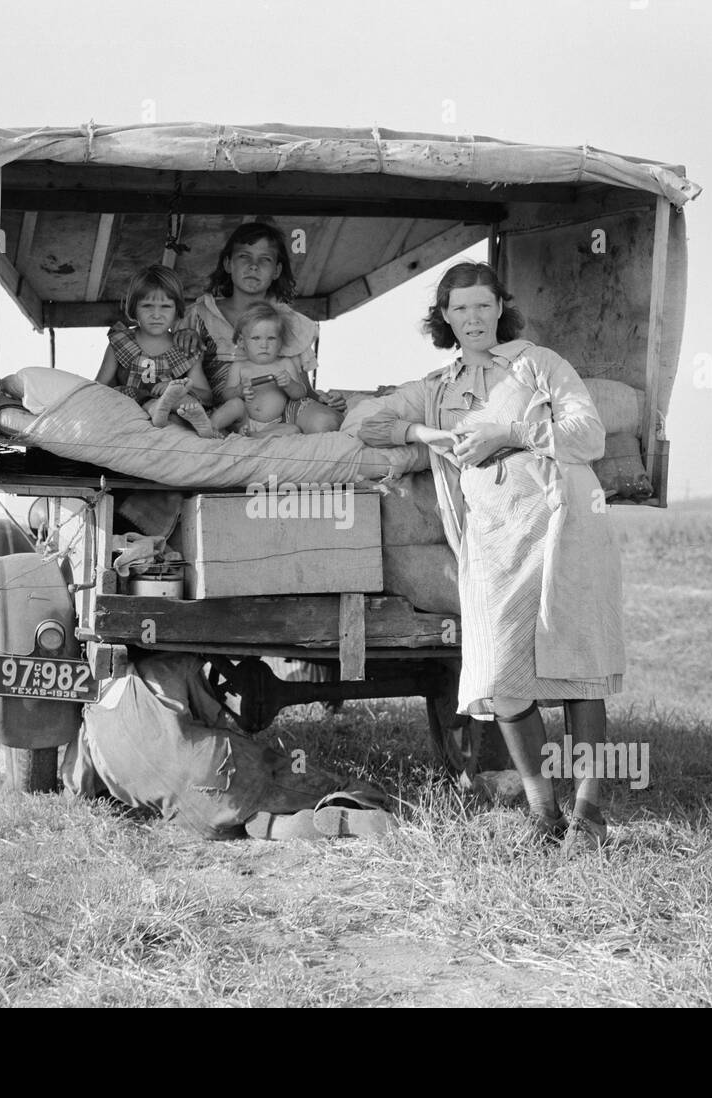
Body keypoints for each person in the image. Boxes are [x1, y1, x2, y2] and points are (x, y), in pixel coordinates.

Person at [356, 262, 625, 851]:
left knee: (578, 666)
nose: (472, 318)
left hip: (564, 523)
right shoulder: (438, 386)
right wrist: (424, 436)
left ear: (500, 307)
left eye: (482, 305)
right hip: (493, 539)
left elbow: (589, 435)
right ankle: (542, 812)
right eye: (460, 308)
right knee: (501, 674)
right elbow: (366, 422)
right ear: (444, 317)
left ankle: (590, 813)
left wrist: (511, 433)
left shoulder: (538, 363)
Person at [172, 221, 346, 422]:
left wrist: (326, 400)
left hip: (283, 413)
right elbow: (174, 372)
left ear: (277, 271)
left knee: (325, 421)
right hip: (223, 413)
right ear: (228, 264)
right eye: (244, 256)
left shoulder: (290, 322)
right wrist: (180, 337)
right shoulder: (200, 315)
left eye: (265, 260)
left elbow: (304, 390)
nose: (253, 266)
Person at [96, 265, 220, 438]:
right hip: (131, 412)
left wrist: (179, 388)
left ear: (177, 309)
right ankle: (155, 407)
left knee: (185, 402)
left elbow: (206, 397)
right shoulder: (120, 343)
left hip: (170, 416)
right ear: (133, 308)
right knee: (122, 396)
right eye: (147, 306)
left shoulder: (186, 349)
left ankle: (199, 424)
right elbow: (99, 387)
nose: (156, 314)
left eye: (165, 306)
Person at [211, 303, 343, 437]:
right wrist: (238, 391)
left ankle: (254, 436)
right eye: (256, 338)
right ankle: (212, 427)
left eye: (271, 338)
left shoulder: (285, 364)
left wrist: (290, 384)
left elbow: (300, 394)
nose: (264, 345)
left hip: (274, 424)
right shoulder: (239, 366)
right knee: (235, 404)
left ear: (281, 342)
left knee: (293, 430)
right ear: (241, 341)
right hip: (244, 420)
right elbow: (226, 395)